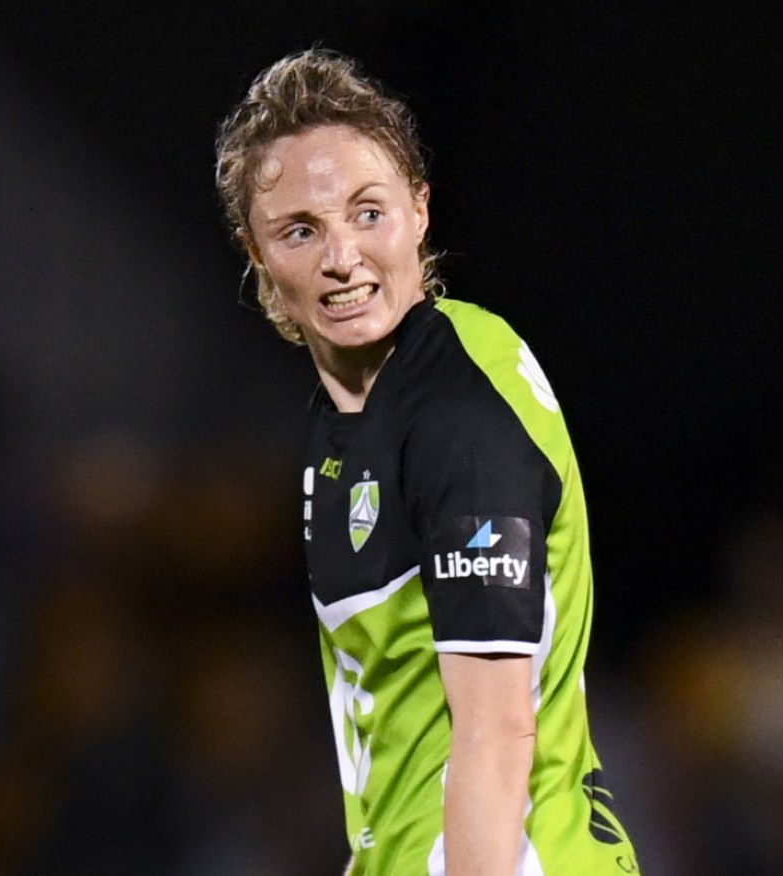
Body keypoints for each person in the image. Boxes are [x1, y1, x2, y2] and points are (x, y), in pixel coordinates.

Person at [214, 48, 640, 875]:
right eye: (301, 230)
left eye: (367, 213)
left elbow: (494, 732)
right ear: (257, 254)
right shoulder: (349, 415)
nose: (342, 257)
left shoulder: (457, 413)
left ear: (419, 209)